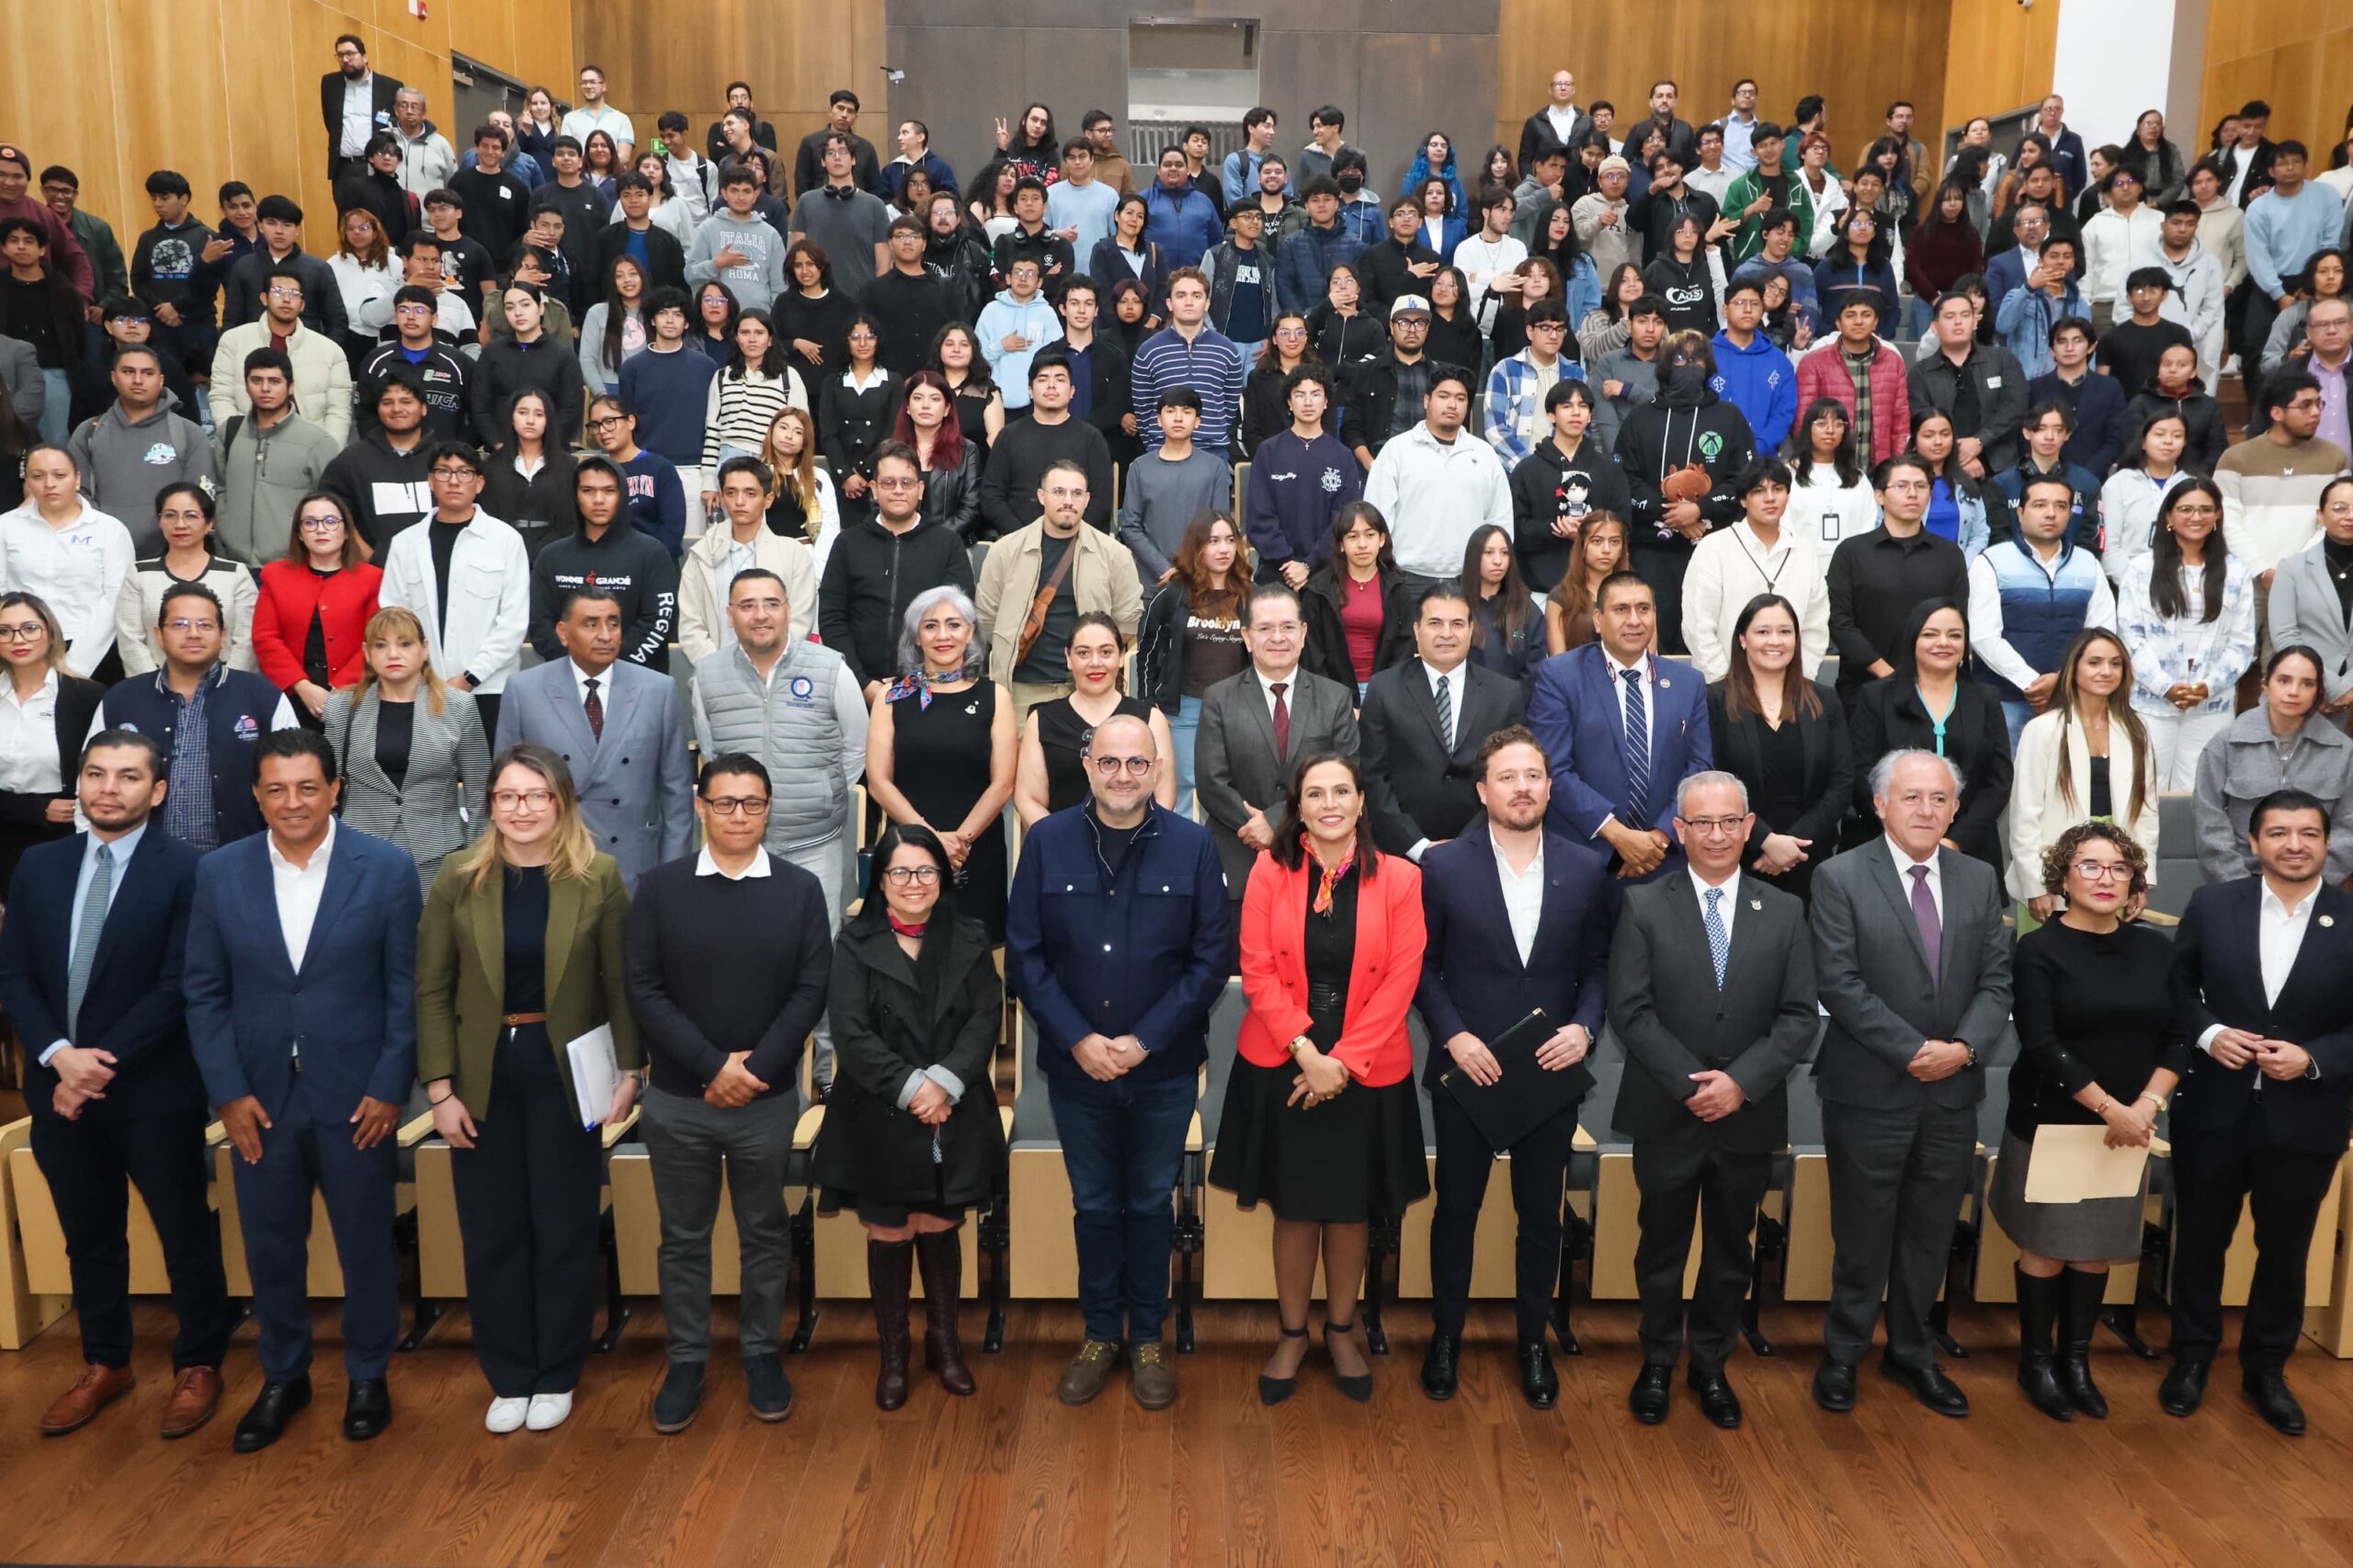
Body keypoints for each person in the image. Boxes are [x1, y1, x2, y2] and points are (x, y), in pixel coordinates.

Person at [183, 729, 419, 1451]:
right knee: (270, 1246)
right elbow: (203, 991)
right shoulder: (219, 873)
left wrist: (388, 1086)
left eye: (308, 787)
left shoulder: (385, 868)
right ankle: (283, 1375)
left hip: (358, 1100)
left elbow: (406, 989)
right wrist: (226, 1093)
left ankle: (369, 1373)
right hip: (258, 1102)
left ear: (335, 790)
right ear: (256, 796)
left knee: (364, 1245)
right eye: (277, 789)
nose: (293, 803)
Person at [0, 727, 231, 1438]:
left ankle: (199, 1361)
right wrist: (58, 1057)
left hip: (153, 1090)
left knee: (184, 1232)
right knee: (88, 1236)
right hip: (56, 1085)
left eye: (128, 777)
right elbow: (14, 976)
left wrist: (95, 1063)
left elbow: (179, 985)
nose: (108, 788)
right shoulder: (38, 868)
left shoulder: (192, 870)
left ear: (156, 792)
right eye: (97, 774)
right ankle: (106, 1361)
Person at [415, 740, 639, 1435]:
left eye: (537, 796)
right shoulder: (459, 876)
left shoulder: (598, 876)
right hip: (480, 1075)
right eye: (508, 796)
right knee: (492, 1228)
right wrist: (441, 1090)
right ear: (489, 805)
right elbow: (431, 988)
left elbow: (618, 986)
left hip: (565, 1070)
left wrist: (631, 1071)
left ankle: (558, 1370)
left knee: (563, 1223)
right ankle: (509, 1373)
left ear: (561, 803)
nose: (522, 809)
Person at [1004, 708, 1226, 1407]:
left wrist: (1144, 1040)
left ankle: (1149, 1338)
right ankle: (1101, 1333)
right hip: (1077, 1068)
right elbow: (1027, 957)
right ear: (1087, 767)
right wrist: (1078, 1039)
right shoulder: (1047, 843)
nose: (1123, 775)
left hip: (1161, 1069)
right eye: (1109, 763)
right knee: (1096, 1206)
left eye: (1137, 763)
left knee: (1150, 1204)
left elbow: (1210, 959)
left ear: (1159, 769)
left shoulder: (1193, 846)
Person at [620, 755, 834, 1431]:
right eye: (726, 802)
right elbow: (644, 990)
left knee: (765, 1232)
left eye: (752, 803)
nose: (739, 815)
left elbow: (810, 991)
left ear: (769, 809)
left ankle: (761, 1352)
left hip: (766, 1102)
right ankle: (687, 1360)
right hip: (681, 1100)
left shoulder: (800, 890)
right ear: (700, 805)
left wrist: (756, 1069)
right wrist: (714, 1067)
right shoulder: (658, 888)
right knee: (682, 1238)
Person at [1208, 750, 1427, 1406]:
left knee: (1351, 1206)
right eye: (1314, 794)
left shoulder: (1401, 880)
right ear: (1295, 808)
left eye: (1341, 792)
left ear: (1362, 802)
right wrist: (1308, 1053)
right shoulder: (1270, 873)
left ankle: (1340, 1329)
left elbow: (1402, 979)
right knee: (1297, 1206)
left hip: (1369, 1061)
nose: (1329, 804)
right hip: (1284, 1059)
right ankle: (1293, 1334)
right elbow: (1257, 970)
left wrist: (1344, 1063)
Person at [1806, 748, 2012, 1419]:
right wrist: (1911, 1049)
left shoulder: (1980, 877)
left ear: (1956, 808)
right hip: (1869, 1087)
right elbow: (1838, 981)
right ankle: (1843, 1353)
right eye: (1912, 797)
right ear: (1881, 805)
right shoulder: (1839, 877)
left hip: (1952, 1090)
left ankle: (1912, 1352)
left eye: (1939, 798)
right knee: (1862, 1231)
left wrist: (1962, 1049)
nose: (1927, 810)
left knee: (1929, 1231)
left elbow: (1996, 982)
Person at [1608, 767, 1816, 1428]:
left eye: (1730, 821)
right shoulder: (1643, 905)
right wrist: (1692, 1084)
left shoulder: (1785, 911)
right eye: (1702, 823)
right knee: (1660, 1249)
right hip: (1667, 1109)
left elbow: (1797, 1018)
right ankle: (1657, 1362)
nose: (1718, 834)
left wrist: (1741, 1084)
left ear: (1750, 827)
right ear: (1679, 831)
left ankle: (1711, 1365)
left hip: (1748, 1114)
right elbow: (1631, 1011)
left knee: (1733, 1251)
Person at [2165, 788, 2353, 1435]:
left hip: (2306, 1116)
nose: (2294, 844)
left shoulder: (2350, 919)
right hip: (2213, 1109)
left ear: (2327, 843)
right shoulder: (2213, 906)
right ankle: (2190, 1356)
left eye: (2307, 833)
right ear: (2253, 842)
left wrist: (2315, 1058)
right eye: (2278, 833)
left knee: (2286, 1249)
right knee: (2200, 1242)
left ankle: (2267, 1369)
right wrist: (2210, 1034)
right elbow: (2177, 990)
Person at [1987, 822, 2182, 1423]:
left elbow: (2178, 1037)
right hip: (2056, 1120)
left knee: (2094, 1250)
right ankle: (2037, 1362)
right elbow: (2042, 1044)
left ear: (2134, 882)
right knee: (2046, 1249)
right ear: (2064, 876)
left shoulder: (2157, 948)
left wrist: (2145, 1108)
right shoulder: (2038, 949)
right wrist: (2111, 1109)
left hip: (2129, 1125)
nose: (2105, 878)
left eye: (2118, 868)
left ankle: (2077, 1362)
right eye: (2090, 866)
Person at [688, 559, 867, 956]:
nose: (760, 615)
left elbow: (856, 747)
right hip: (741, 847)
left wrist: (821, 792)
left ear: (789, 610)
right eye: (747, 605)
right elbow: (713, 754)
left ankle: (818, 1025)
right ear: (730, 615)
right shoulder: (707, 676)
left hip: (815, 845)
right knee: (744, 955)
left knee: (815, 954)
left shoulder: (831, 668)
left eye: (771, 603)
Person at [494, 585, 690, 890]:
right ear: (563, 632)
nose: (605, 634)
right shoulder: (524, 691)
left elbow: (676, 793)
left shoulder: (657, 690)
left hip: (635, 866)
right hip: (553, 862)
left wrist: (673, 875)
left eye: (613, 623)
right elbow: (503, 788)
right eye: (591, 624)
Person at [1527, 568, 1711, 883]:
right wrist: (1618, 836)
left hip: (1664, 861)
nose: (1634, 620)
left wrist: (1660, 836)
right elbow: (1552, 768)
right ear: (1598, 620)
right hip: (1586, 858)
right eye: (1621, 609)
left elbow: (1699, 766)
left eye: (1643, 609)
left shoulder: (1688, 682)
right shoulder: (1560, 677)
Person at [1198, 584, 1360, 931]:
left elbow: (1348, 775)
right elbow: (1211, 782)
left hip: (1317, 853)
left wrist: (1276, 820)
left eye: (1287, 627)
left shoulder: (1335, 698)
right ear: (1246, 635)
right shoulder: (1219, 698)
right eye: (1265, 628)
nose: (1278, 638)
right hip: (1238, 854)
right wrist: (1256, 828)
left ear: (1303, 633)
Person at [93, 582, 299, 851]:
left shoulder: (262, 697)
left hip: (241, 859)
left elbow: (296, 775)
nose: (193, 634)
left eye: (205, 625)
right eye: (179, 624)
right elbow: (90, 782)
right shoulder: (121, 699)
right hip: (143, 861)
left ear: (223, 634)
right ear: (159, 634)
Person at [866, 585, 1016, 943]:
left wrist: (958, 842)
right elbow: (878, 781)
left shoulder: (995, 696)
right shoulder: (892, 696)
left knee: (977, 960)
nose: (943, 635)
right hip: (907, 851)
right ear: (917, 637)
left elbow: (1003, 784)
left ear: (969, 632)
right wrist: (932, 841)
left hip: (976, 851)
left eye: (954, 624)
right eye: (930, 626)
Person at [322, 603, 488, 896]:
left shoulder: (460, 707)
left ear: (424, 649)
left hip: (439, 854)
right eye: (381, 645)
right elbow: (327, 790)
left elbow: (479, 793)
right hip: (360, 852)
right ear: (367, 653)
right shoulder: (340, 708)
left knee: (432, 939)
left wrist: (477, 859)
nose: (393, 654)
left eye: (405, 644)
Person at [1358, 582, 1526, 859]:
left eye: (1457, 624)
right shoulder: (1383, 689)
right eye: (1435, 623)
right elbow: (1373, 777)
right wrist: (1418, 847)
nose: (1446, 634)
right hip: (1402, 853)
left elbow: (1512, 776)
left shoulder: (1505, 693)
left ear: (1472, 630)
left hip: (1485, 850)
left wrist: (1469, 843)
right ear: (1416, 629)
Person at [376, 442, 530, 739]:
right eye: (444, 472)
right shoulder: (406, 543)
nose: (454, 480)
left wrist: (470, 677)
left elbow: (513, 623)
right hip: (421, 688)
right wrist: (422, 676)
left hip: (490, 688)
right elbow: (393, 618)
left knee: (488, 780)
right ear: (430, 482)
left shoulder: (505, 540)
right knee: (429, 781)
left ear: (480, 483)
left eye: (464, 472)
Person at [2006, 630, 2160, 928]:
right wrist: (2036, 884)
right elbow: (2024, 816)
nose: (2106, 671)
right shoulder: (2042, 729)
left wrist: (2142, 879)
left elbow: (2146, 812)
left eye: (2115, 664)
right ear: (2073, 669)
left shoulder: (2136, 729)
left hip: (2112, 877)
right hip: (2052, 880)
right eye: (2095, 662)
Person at [1707, 594, 1851, 903]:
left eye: (1785, 632)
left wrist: (1792, 847)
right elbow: (1710, 779)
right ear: (1743, 639)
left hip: (1812, 857)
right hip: (1740, 856)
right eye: (1763, 631)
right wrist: (1765, 840)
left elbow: (1841, 783)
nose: (1775, 641)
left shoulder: (1825, 701)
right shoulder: (1714, 701)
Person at [1615, 331, 1753, 653]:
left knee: (1713, 633)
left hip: (1714, 544)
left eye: (1697, 360)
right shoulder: (1641, 418)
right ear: (1665, 366)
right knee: (1656, 633)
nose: (1688, 366)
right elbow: (1625, 477)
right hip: (1653, 549)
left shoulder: (1729, 417)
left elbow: (1744, 479)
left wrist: (1701, 509)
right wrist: (1672, 513)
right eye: (1679, 359)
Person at [1847, 598, 2013, 867]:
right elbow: (1861, 772)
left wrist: (1955, 840)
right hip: (1890, 846)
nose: (1944, 643)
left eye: (1955, 635)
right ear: (1912, 639)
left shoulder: (1985, 699)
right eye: (1930, 634)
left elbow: (1998, 781)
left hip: (1969, 850)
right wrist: (1906, 834)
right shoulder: (1876, 697)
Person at [972, 459, 1143, 715]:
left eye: (1077, 493)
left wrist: (1091, 663)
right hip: (1020, 690)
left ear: (1087, 500)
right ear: (1041, 496)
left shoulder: (1115, 555)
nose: (1068, 501)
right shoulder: (1005, 551)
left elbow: (1127, 622)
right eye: (1058, 492)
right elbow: (986, 618)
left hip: (1087, 691)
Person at [2117, 479, 2254, 789]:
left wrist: (2205, 687)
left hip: (2212, 702)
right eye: (2186, 509)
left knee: (2202, 789)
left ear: (2218, 515)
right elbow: (2130, 636)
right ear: (2168, 517)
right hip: (2152, 700)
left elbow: (2243, 643)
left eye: (2206, 510)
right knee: (2145, 786)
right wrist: (2166, 686)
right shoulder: (2140, 569)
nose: (2197, 517)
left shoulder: (2236, 571)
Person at [1971, 473, 2118, 746]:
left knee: (2068, 782)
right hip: (2005, 700)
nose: (2051, 513)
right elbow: (1983, 636)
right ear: (2020, 512)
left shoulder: (2088, 564)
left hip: (2073, 697)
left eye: (2061, 506)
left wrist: (2063, 680)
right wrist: (2034, 683)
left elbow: (2103, 635)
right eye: (2040, 505)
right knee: (2010, 783)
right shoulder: (1992, 562)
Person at [2194, 645, 2353, 882]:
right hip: (2239, 883)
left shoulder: (2344, 752)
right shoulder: (2225, 745)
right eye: (2284, 680)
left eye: (2307, 684)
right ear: (2266, 685)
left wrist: (2314, 885)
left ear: (2319, 692)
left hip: (2316, 887)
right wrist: (2240, 887)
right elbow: (2209, 824)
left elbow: (2348, 827)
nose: (2294, 691)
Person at [1014, 611, 1174, 827]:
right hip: (1062, 851)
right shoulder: (1042, 720)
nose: (1095, 663)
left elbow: (1164, 795)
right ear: (1068, 658)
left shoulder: (1150, 719)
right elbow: (1028, 799)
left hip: (1137, 849)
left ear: (1120, 656)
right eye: (1083, 653)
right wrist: (1060, 844)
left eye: (1106, 652)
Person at [1138, 512, 1250, 813]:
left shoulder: (1250, 596)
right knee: (1185, 786)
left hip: (1236, 709)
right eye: (1213, 541)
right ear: (1197, 547)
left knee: (1234, 788)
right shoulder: (1172, 595)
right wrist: (1148, 702)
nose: (1224, 549)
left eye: (1230, 540)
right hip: (1185, 709)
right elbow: (1147, 649)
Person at [1362, 362, 1512, 587]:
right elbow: (1375, 519)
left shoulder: (1484, 454)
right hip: (1406, 579)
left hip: (1469, 580)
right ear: (1426, 401)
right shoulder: (1397, 450)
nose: (1452, 404)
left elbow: (1500, 521)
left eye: (1461, 399)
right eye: (1443, 396)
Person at [1680, 459, 1827, 684]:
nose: (1770, 498)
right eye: (1759, 491)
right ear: (1743, 500)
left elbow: (1815, 628)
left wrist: (1799, 682)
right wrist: (1725, 684)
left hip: (1790, 693)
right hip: (1726, 690)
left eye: (1777, 489)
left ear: (1788, 495)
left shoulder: (1805, 553)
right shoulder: (1714, 548)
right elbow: (1698, 627)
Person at [0, 445, 136, 681]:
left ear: (77, 479)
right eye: (38, 476)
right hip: (20, 645)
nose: (49, 484)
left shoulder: (109, 530)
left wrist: (78, 664)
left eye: (59, 475)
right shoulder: (6, 526)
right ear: (27, 482)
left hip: (94, 648)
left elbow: (116, 597)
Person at [2220, 372, 2349, 602]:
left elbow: (2336, 519)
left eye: (2319, 403)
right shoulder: (2235, 458)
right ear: (2277, 413)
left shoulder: (2335, 458)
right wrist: (2261, 570)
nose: (2316, 412)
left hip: (2310, 579)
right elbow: (2227, 521)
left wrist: (2294, 572)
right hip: (2246, 579)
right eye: (2305, 405)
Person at [0, 593, 102, 885]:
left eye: (29, 628)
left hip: (62, 838)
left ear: (51, 632)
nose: (17, 639)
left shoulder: (86, 696)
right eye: (4, 631)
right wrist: (34, 810)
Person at [67, 347, 214, 543]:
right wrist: (106, 535)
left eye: (147, 373)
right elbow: (76, 493)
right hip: (105, 550)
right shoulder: (88, 433)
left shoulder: (189, 433)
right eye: (128, 372)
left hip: (172, 555)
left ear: (161, 380)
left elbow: (201, 497)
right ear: (114, 377)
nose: (138, 380)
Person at [214, 349, 343, 567]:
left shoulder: (318, 441)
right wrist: (226, 529)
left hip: (294, 566)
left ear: (290, 387)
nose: (265, 388)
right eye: (256, 380)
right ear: (246, 385)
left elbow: (336, 506)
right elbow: (219, 488)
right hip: (234, 565)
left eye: (274, 381)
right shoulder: (230, 432)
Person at [112, 484, 256, 677]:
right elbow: (130, 639)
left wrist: (227, 685)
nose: (180, 524)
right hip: (155, 687)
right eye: (170, 515)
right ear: (160, 521)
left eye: (191, 516)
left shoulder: (236, 574)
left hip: (226, 686)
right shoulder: (139, 574)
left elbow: (246, 640)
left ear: (209, 523)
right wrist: (152, 687)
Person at [1244, 364, 1362, 584]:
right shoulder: (1269, 451)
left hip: (1326, 575)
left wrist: (1309, 564)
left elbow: (1344, 521)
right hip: (1276, 573)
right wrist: (1289, 564)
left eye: (1316, 394)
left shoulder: (1343, 457)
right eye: (1300, 395)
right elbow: (1259, 517)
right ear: (1289, 402)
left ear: (1326, 402)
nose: (1308, 402)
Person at [1509, 381, 1630, 592]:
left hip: (1600, 589)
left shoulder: (1609, 469)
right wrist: (1553, 528)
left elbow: (1625, 526)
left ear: (1590, 415)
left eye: (1583, 406)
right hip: (1540, 588)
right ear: (1551, 415)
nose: (1576, 413)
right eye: (1566, 406)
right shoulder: (1527, 470)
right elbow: (1515, 531)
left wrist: (1593, 532)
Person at [1117, 388, 1233, 583]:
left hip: (1202, 577)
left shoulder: (1214, 468)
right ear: (1159, 420)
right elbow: (1130, 526)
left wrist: (1192, 569)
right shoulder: (1140, 467)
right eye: (1170, 411)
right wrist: (1163, 568)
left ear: (1197, 422)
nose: (1178, 418)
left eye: (1186, 412)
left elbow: (1220, 525)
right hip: (1152, 578)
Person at [1543, 512, 1630, 654]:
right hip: (1575, 675)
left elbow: (1648, 658)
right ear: (1582, 546)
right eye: (1597, 541)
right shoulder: (1560, 598)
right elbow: (1557, 663)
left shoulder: (1637, 595)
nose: (1606, 550)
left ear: (1622, 549)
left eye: (1614, 542)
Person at [321, 36, 403, 183]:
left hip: (377, 167)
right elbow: (331, 123)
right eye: (340, 55)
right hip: (344, 169)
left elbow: (396, 127)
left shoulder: (390, 87)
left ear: (364, 57)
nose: (345, 59)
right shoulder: (330, 83)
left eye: (350, 54)